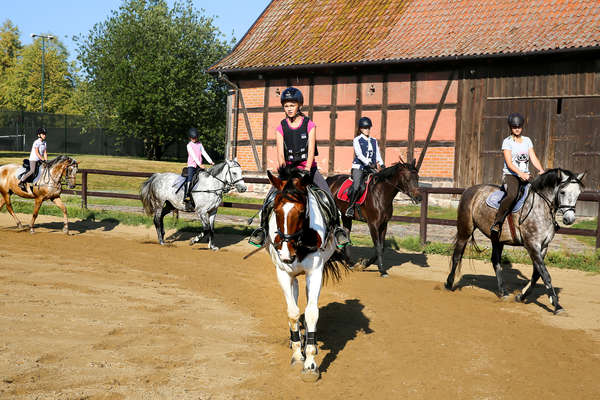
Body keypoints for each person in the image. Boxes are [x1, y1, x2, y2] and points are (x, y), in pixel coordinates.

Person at [248, 86, 350, 248]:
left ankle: (337, 230)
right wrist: (284, 174)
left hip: (308, 170)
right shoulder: (280, 127)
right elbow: (281, 155)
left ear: (299, 106)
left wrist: (307, 171)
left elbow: (311, 152)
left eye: (292, 105)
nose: (289, 108)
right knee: (269, 199)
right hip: (288, 172)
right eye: (286, 105)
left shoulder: (310, 125)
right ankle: (262, 229)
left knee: (327, 196)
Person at [491, 112, 544, 234]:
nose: (517, 129)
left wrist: (541, 170)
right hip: (511, 176)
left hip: (526, 175)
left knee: (542, 192)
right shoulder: (507, 142)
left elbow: (533, 157)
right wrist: (521, 174)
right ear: (511, 127)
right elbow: (509, 163)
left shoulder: (527, 141)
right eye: (515, 127)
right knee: (512, 195)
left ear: (522, 127)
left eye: (519, 127)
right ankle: (497, 222)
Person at [346, 116, 384, 218]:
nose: (367, 130)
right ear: (360, 129)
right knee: (357, 185)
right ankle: (350, 207)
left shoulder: (374, 140)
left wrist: (382, 163)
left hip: (370, 168)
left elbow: (377, 154)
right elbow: (359, 155)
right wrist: (368, 162)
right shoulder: (357, 140)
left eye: (368, 128)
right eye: (364, 128)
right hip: (359, 167)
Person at [184, 127, 214, 211]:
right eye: (192, 138)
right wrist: (200, 164)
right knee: (190, 178)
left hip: (199, 165)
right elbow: (193, 156)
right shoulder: (189, 145)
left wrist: (210, 161)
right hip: (192, 165)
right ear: (190, 138)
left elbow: (204, 153)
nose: (194, 139)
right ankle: (187, 195)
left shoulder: (200, 144)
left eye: (195, 138)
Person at [18, 127, 48, 192]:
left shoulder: (44, 143)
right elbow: (37, 152)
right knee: (32, 171)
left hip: (40, 160)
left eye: (45, 134)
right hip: (33, 159)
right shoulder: (36, 142)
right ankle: (21, 181)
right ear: (39, 135)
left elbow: (45, 152)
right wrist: (42, 159)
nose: (44, 135)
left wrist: (46, 160)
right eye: (43, 134)